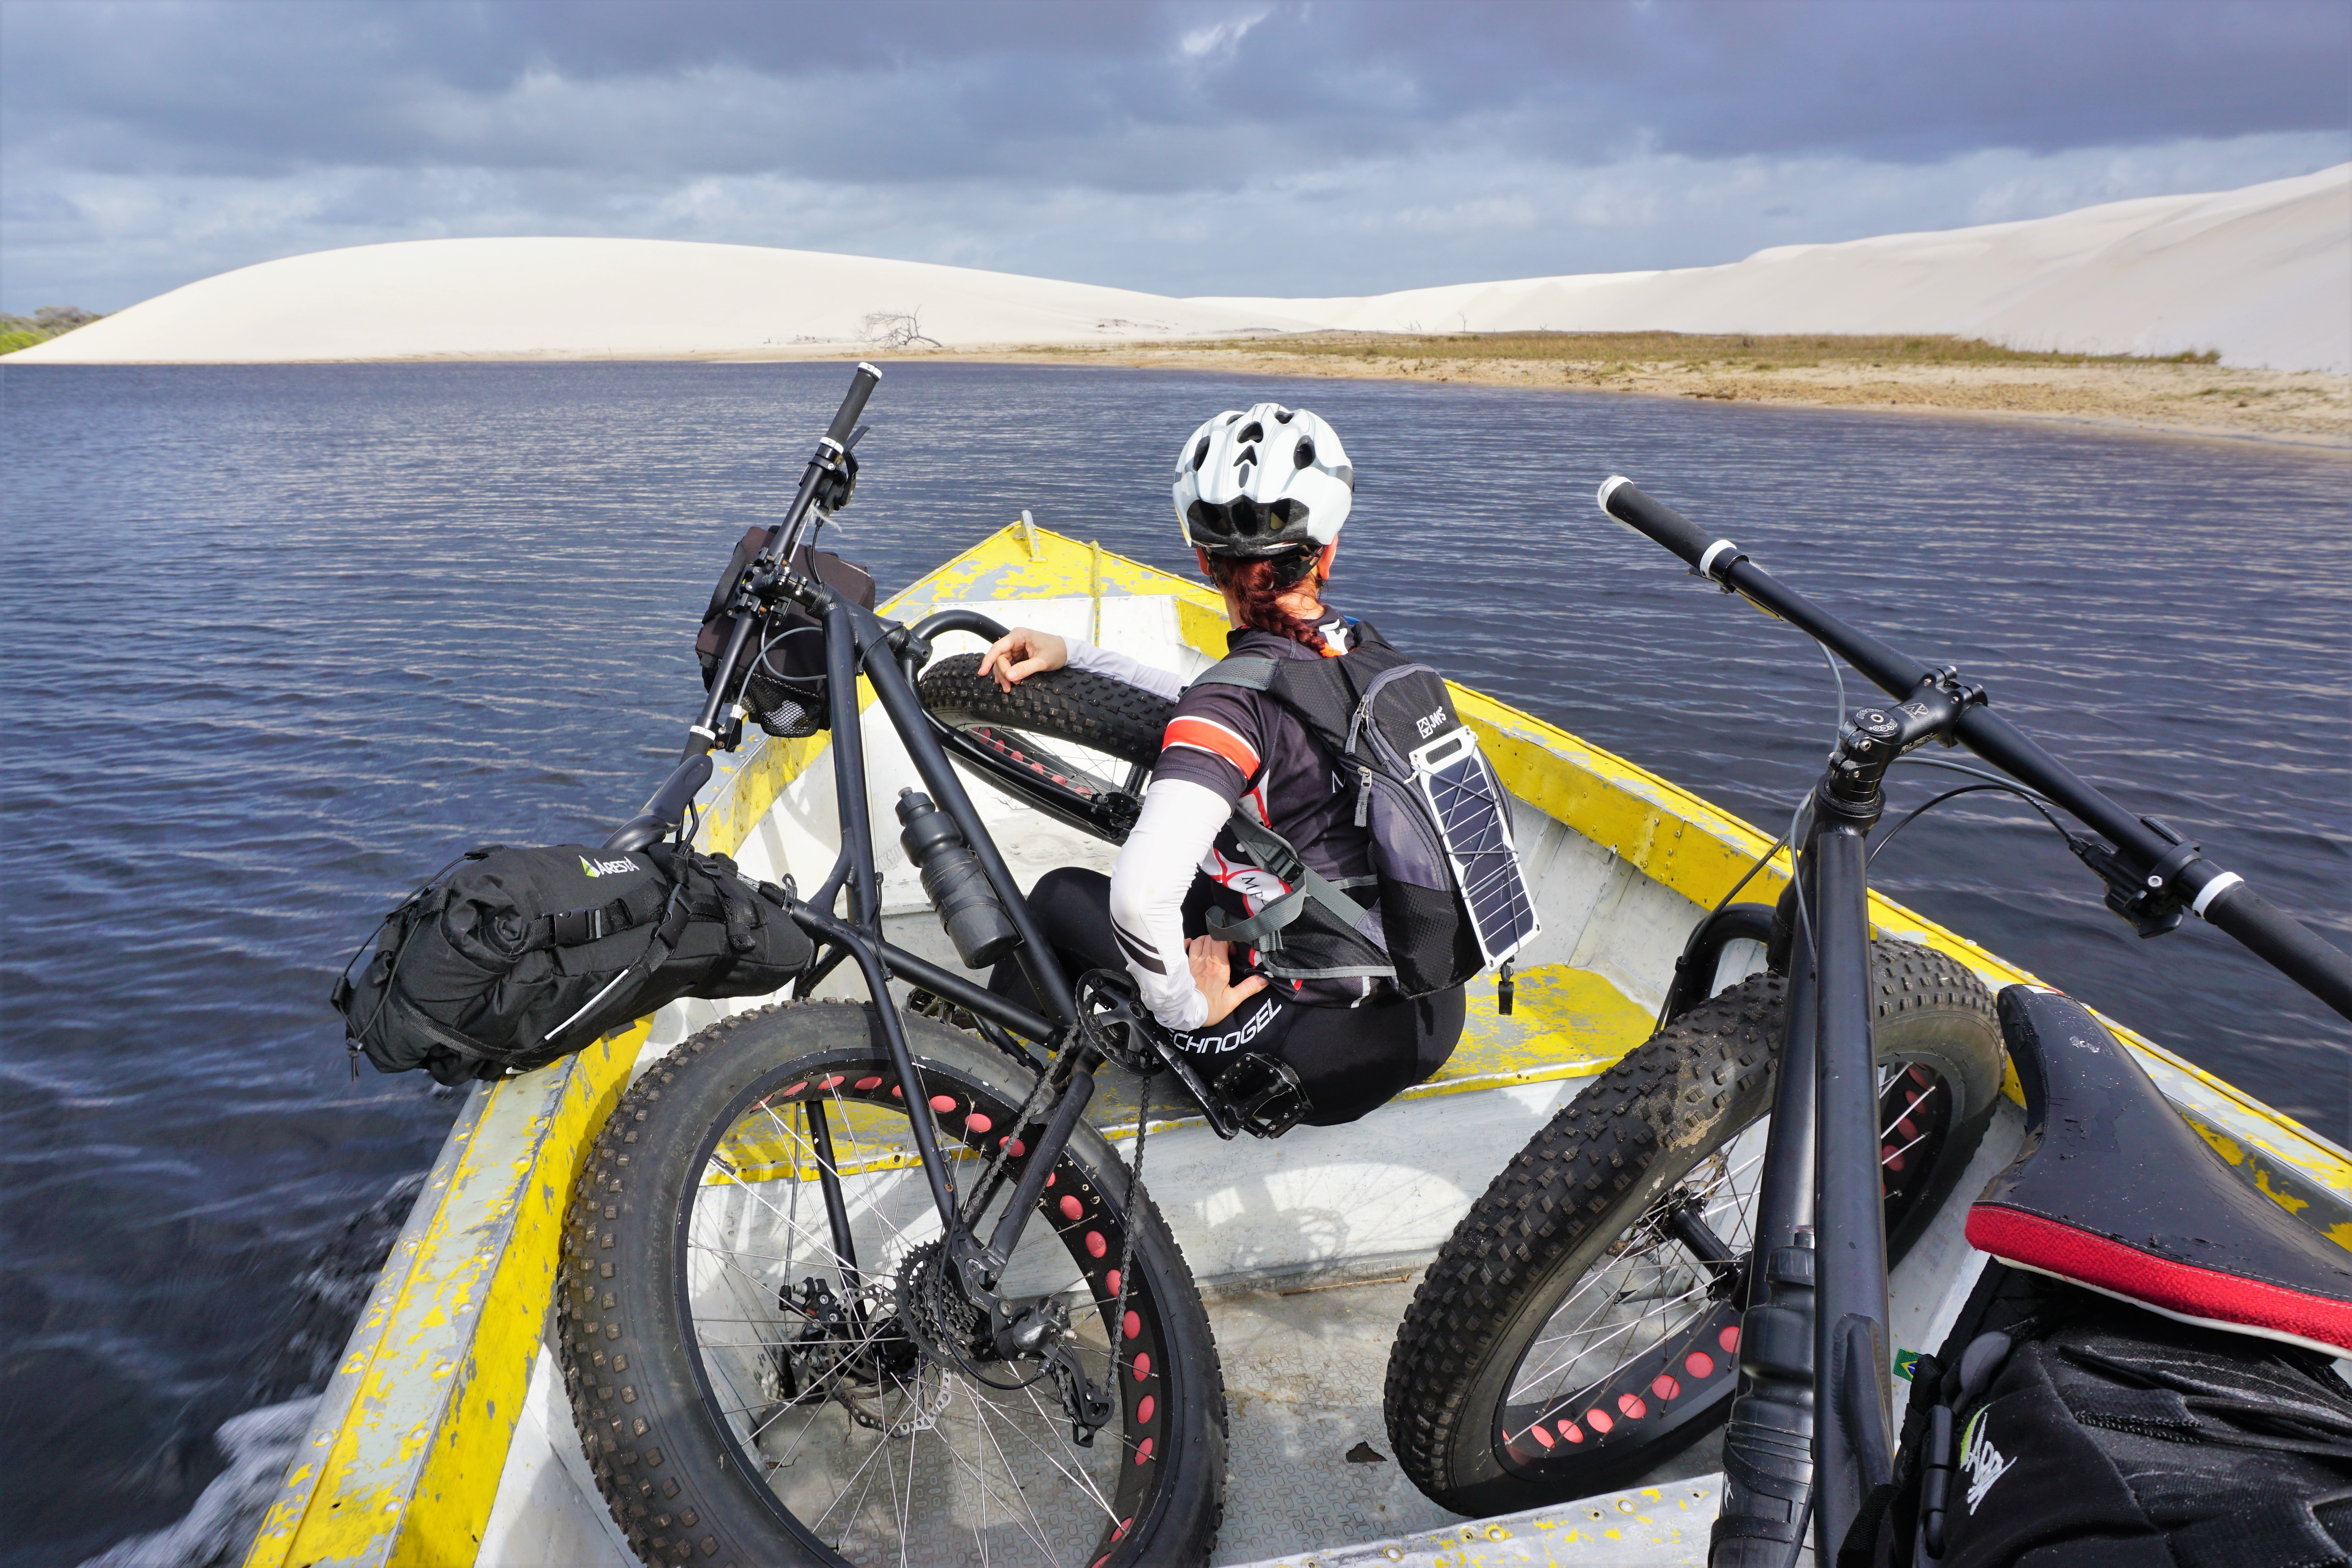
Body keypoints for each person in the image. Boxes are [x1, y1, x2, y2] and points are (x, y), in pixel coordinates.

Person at [975, 402, 1464, 1126]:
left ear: (1203, 563)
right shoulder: (1367, 657)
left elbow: (1141, 900)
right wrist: (1078, 654)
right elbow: (1211, 701)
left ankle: (985, 1093)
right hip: (1431, 1019)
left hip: (1312, 1059)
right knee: (1219, 899)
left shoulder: (1227, 712)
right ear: (1328, 554)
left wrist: (1188, 1002)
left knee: (1055, 899)